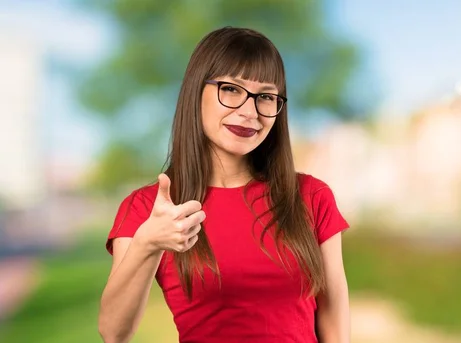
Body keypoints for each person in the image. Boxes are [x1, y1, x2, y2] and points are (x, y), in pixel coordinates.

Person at [98, 26, 350, 343]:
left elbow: (334, 316)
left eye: (266, 97)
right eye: (231, 89)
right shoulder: (148, 209)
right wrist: (147, 243)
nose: (249, 111)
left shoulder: (311, 196)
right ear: (195, 91)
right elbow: (113, 333)